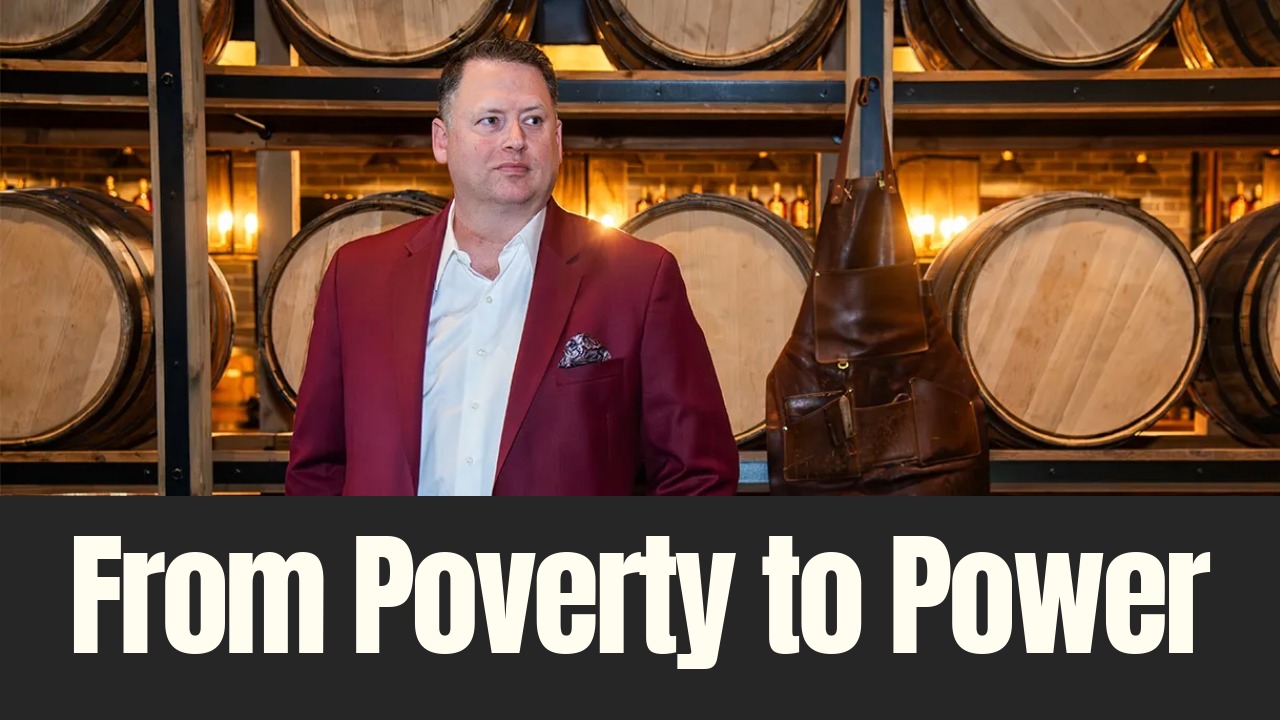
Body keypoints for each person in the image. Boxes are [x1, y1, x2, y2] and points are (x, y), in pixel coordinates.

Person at [285, 37, 739, 496]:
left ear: (557, 141)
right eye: (491, 121)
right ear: (442, 141)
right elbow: (317, 471)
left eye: (533, 121)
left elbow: (697, 475)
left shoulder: (639, 278)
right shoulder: (357, 276)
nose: (515, 140)